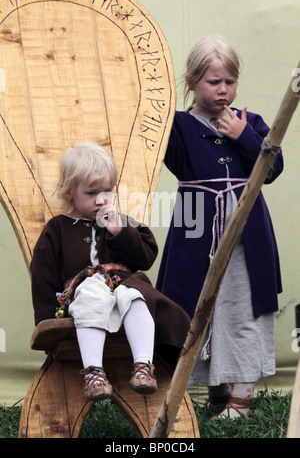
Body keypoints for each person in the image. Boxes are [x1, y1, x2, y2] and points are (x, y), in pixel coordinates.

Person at [156, 37, 283, 418]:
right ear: (192, 81)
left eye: (230, 81)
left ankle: (240, 403)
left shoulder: (252, 123)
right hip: (195, 226)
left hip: (249, 234)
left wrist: (242, 136)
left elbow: (272, 169)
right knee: (199, 309)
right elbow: (156, 148)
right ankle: (214, 395)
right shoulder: (176, 126)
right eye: (214, 82)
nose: (223, 90)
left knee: (242, 310)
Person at [31, 142, 190, 402]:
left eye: (108, 191)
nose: (102, 199)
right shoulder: (57, 228)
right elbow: (43, 277)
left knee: (137, 296)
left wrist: (120, 232)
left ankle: (143, 367)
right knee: (92, 291)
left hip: (122, 288)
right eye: (92, 193)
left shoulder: (121, 222)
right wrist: (47, 322)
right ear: (68, 191)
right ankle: (94, 373)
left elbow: (146, 256)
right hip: (83, 297)